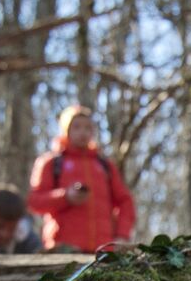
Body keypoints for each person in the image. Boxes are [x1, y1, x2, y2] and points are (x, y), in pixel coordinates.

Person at [27, 106, 136, 253]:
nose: (82, 132)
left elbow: (125, 201)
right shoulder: (51, 163)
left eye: (87, 127)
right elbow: (35, 201)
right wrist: (66, 197)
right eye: (76, 127)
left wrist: (122, 235)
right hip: (63, 249)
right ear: (66, 130)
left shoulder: (104, 165)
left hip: (103, 250)